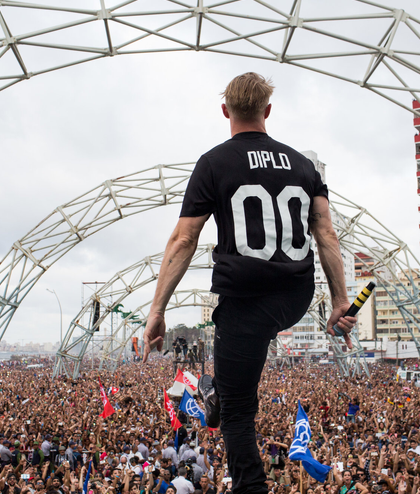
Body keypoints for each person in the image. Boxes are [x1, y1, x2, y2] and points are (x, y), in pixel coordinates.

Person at [141, 72, 355, 494]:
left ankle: (251, 485)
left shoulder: (214, 162)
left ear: (226, 112)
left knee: (237, 411)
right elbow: (326, 233)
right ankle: (223, 385)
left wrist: (157, 309)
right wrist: (340, 301)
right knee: (241, 362)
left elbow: (184, 239)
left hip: (245, 299)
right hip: (295, 294)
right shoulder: (304, 165)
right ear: (267, 112)